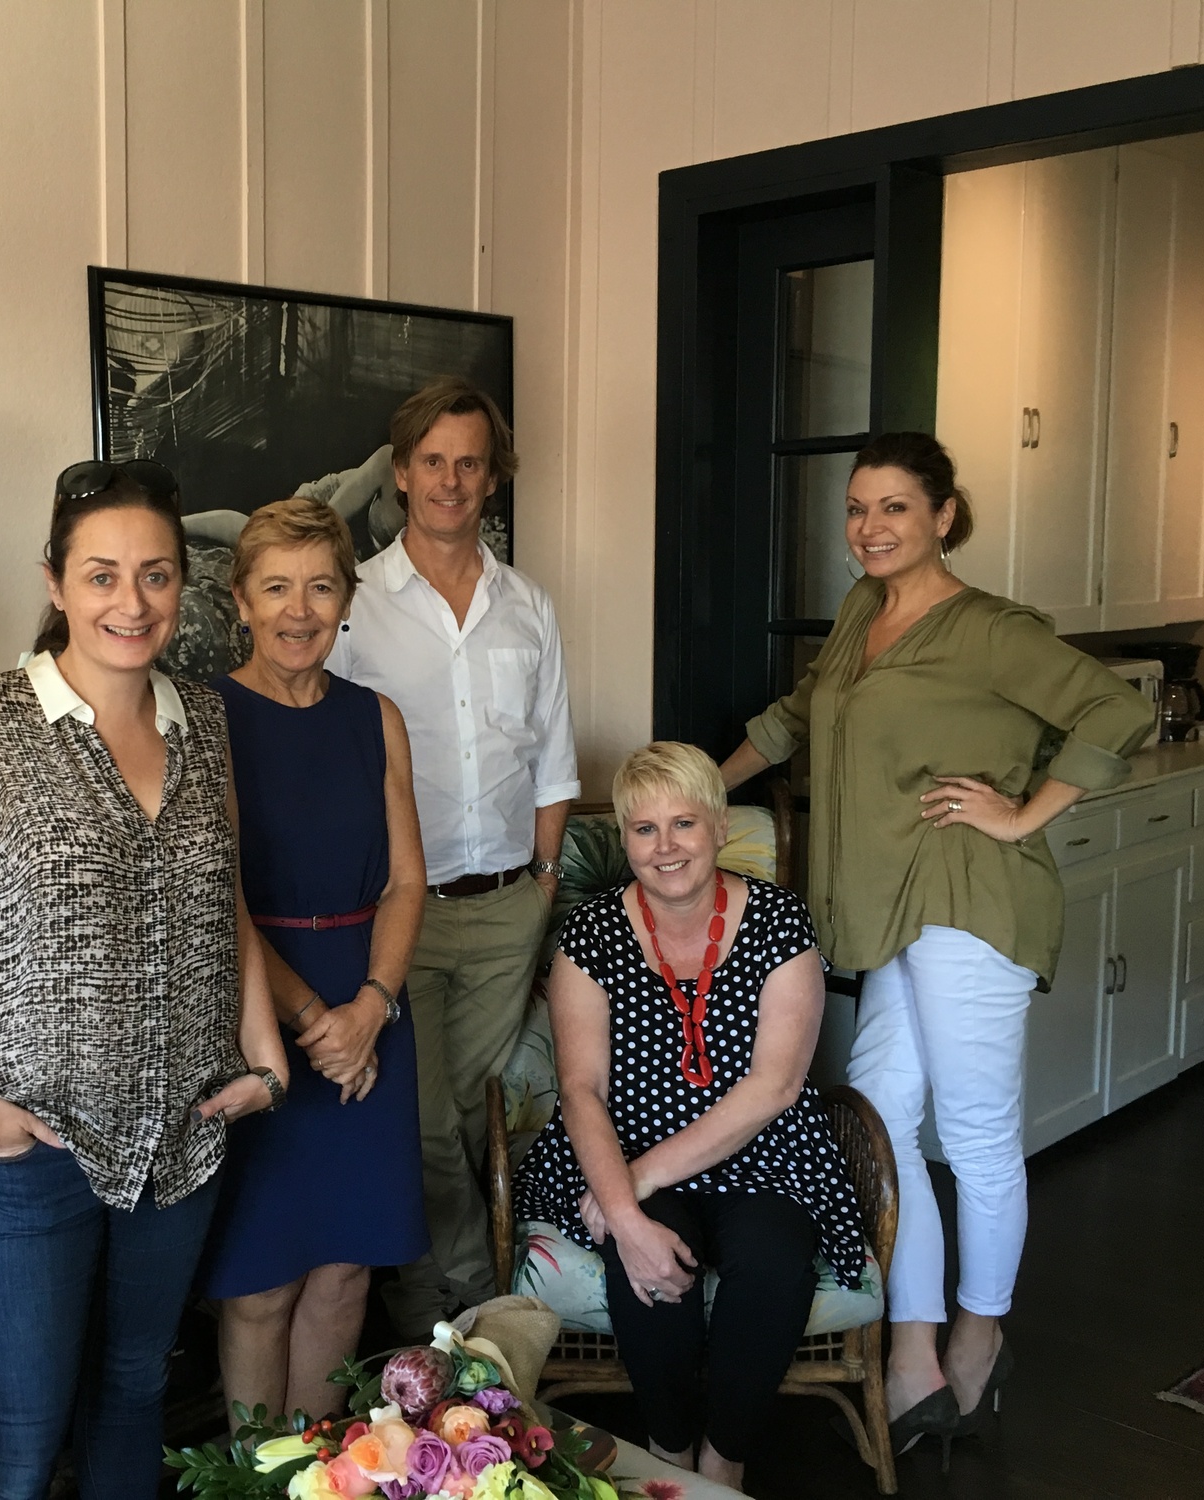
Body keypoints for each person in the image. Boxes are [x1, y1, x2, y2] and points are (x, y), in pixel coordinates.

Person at [718, 431, 1155, 1456]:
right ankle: (911, 1345)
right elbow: (793, 718)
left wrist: (1020, 813)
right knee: (878, 1122)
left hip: (969, 895)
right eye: (856, 508)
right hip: (886, 904)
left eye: (894, 508)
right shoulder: (861, 614)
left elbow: (1115, 709)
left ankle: (977, 1335)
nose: (868, 528)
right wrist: (696, 787)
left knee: (972, 1133)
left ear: (942, 516)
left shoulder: (990, 628)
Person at [0, 460, 290, 1500]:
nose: (132, 601)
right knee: (20, 1440)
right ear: (56, 582)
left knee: (133, 1390)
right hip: (32, 1140)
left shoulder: (202, 720)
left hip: (181, 1132)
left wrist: (266, 1059)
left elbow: (226, 898)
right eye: (102, 575)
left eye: (155, 575)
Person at [513, 742, 866, 1493]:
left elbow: (774, 1087)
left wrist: (631, 1186)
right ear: (625, 839)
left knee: (773, 1261)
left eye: (684, 824)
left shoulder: (778, 920)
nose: (665, 846)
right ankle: (669, 1454)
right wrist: (625, 1212)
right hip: (624, 1142)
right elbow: (580, 1089)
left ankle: (723, 1461)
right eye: (645, 829)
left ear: (718, 827)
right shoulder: (592, 934)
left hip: (765, 1153)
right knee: (646, 1264)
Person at [328, 376, 580, 1336]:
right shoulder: (355, 605)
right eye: (431, 461)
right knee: (427, 1118)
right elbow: (331, 753)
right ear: (400, 474)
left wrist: (544, 883)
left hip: (509, 905)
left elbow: (553, 762)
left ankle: (424, 1301)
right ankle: (473, 1302)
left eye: (468, 463)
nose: (450, 480)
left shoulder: (529, 607)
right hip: (405, 911)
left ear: (492, 477)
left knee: (469, 1115)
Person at [196, 498, 430, 1422]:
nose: (300, 611)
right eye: (277, 588)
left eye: (321, 588)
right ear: (240, 601)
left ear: (346, 601)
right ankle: (253, 1477)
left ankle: (318, 1474)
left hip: (372, 1004)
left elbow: (406, 883)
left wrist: (370, 1007)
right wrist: (312, 1022)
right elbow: (219, 896)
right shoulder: (204, 719)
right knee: (261, 1283)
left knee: (343, 1273)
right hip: (260, 1011)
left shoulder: (377, 718)